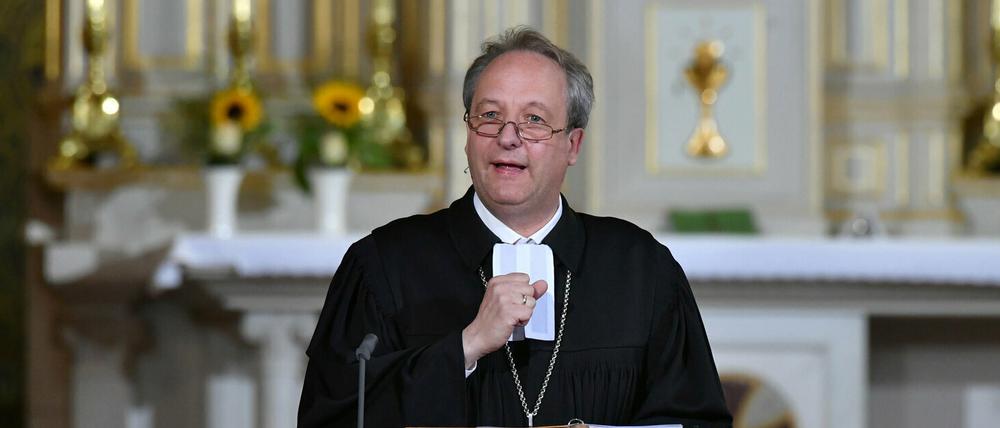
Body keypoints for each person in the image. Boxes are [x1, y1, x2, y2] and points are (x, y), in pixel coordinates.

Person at [298, 26, 732, 427]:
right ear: (466, 133)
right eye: (489, 116)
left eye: (535, 120)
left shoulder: (640, 268)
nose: (509, 137)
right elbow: (333, 414)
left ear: (573, 144)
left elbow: (693, 419)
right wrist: (463, 348)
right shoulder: (383, 264)